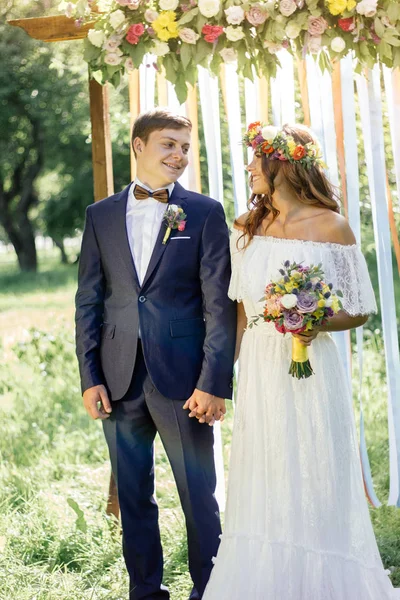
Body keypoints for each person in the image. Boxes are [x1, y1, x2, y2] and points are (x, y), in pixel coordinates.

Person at [203, 122, 397, 599]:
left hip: (314, 366)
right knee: (266, 470)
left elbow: (360, 308)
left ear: (283, 164)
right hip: (261, 368)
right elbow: (241, 311)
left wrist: (313, 322)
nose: (248, 168)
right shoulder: (246, 229)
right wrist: (225, 375)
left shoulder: (333, 226)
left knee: (317, 467)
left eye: (256, 160)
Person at [75, 108, 236, 600]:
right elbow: (89, 301)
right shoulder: (99, 216)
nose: (178, 156)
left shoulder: (204, 212)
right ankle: (145, 591)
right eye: (168, 144)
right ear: (138, 146)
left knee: (198, 496)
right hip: (118, 378)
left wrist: (213, 382)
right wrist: (90, 376)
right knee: (134, 496)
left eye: (185, 147)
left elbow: (219, 306)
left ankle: (210, 590)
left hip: (185, 382)